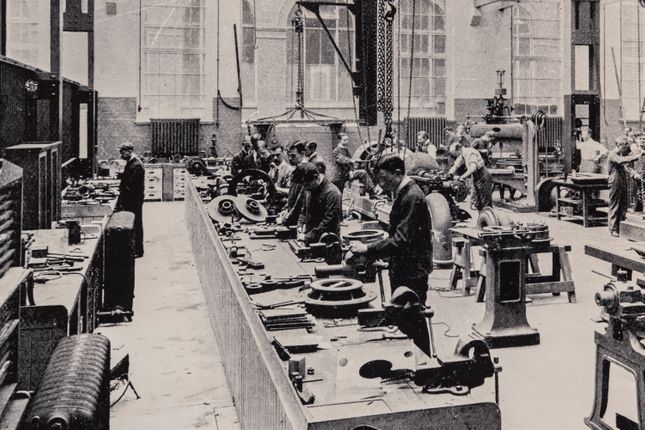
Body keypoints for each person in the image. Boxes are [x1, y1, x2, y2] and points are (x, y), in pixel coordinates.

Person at [349, 154, 433, 303]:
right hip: (405, 267)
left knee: (411, 317)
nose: (381, 184)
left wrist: (367, 248)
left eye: (383, 178)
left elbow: (401, 240)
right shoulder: (404, 192)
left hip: (412, 271)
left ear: (397, 173)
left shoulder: (412, 197)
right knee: (401, 314)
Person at [292, 162, 342, 244]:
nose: (305, 188)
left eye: (307, 185)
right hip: (309, 240)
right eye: (303, 186)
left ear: (316, 177)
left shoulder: (332, 193)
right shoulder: (309, 189)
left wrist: (307, 236)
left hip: (327, 244)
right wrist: (300, 226)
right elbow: (304, 211)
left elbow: (328, 222)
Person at [115, 142, 145, 257]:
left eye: (122, 152)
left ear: (129, 152)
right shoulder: (132, 162)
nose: (121, 155)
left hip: (133, 199)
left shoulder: (136, 165)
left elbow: (131, 185)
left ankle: (138, 251)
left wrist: (121, 193)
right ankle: (134, 249)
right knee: (133, 223)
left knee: (135, 223)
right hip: (132, 198)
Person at [608, 136, 642, 236]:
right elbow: (621, 160)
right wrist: (637, 156)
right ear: (620, 145)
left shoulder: (620, 154)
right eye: (625, 147)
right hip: (615, 181)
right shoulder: (613, 154)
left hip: (621, 180)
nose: (626, 150)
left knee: (623, 204)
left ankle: (620, 226)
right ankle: (613, 228)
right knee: (615, 204)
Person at [448, 142, 493, 211]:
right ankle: (482, 220)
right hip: (476, 177)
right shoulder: (462, 155)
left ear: (458, 149)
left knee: (485, 202)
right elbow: (456, 166)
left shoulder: (470, 152)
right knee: (478, 203)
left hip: (483, 176)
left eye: (454, 153)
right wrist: (449, 174)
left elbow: (473, 168)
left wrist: (462, 177)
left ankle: (489, 220)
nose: (454, 156)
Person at [281, 141, 308, 226]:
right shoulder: (296, 170)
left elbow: (301, 198)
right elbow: (292, 193)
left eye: (293, 156)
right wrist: (286, 208)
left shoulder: (307, 170)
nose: (290, 159)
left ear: (302, 153)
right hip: (293, 212)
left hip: (300, 215)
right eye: (289, 155)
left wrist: (290, 213)